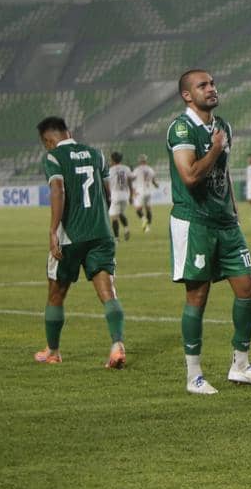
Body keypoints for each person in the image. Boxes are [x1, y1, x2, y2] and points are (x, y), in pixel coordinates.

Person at [168, 69, 251, 395]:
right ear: (188, 95)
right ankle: (194, 375)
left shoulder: (222, 126)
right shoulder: (182, 127)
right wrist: (214, 149)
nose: (211, 89)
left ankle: (240, 365)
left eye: (212, 83)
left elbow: (223, 173)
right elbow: (189, 176)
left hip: (226, 223)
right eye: (203, 85)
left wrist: (234, 210)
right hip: (195, 221)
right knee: (197, 296)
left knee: (249, 289)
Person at [34, 117, 127, 368]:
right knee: (108, 292)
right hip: (101, 233)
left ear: (47, 141)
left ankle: (53, 351)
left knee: (56, 294)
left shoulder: (53, 158)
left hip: (70, 237)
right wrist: (99, 221)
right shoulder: (96, 154)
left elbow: (58, 190)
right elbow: (107, 195)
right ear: (69, 132)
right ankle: (117, 344)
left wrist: (53, 230)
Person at [106, 152, 133, 242]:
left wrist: (108, 195)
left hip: (115, 194)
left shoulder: (110, 170)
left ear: (113, 160)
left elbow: (107, 183)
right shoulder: (126, 168)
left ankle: (116, 238)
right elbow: (130, 182)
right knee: (120, 213)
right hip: (125, 194)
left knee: (114, 217)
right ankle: (126, 229)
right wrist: (131, 195)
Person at [132, 154, 158, 233]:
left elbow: (132, 180)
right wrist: (156, 185)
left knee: (138, 209)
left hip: (140, 191)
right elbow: (154, 181)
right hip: (148, 191)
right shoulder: (150, 169)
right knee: (148, 209)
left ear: (139, 161)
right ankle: (148, 227)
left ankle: (144, 220)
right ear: (146, 161)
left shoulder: (137, 170)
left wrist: (133, 191)